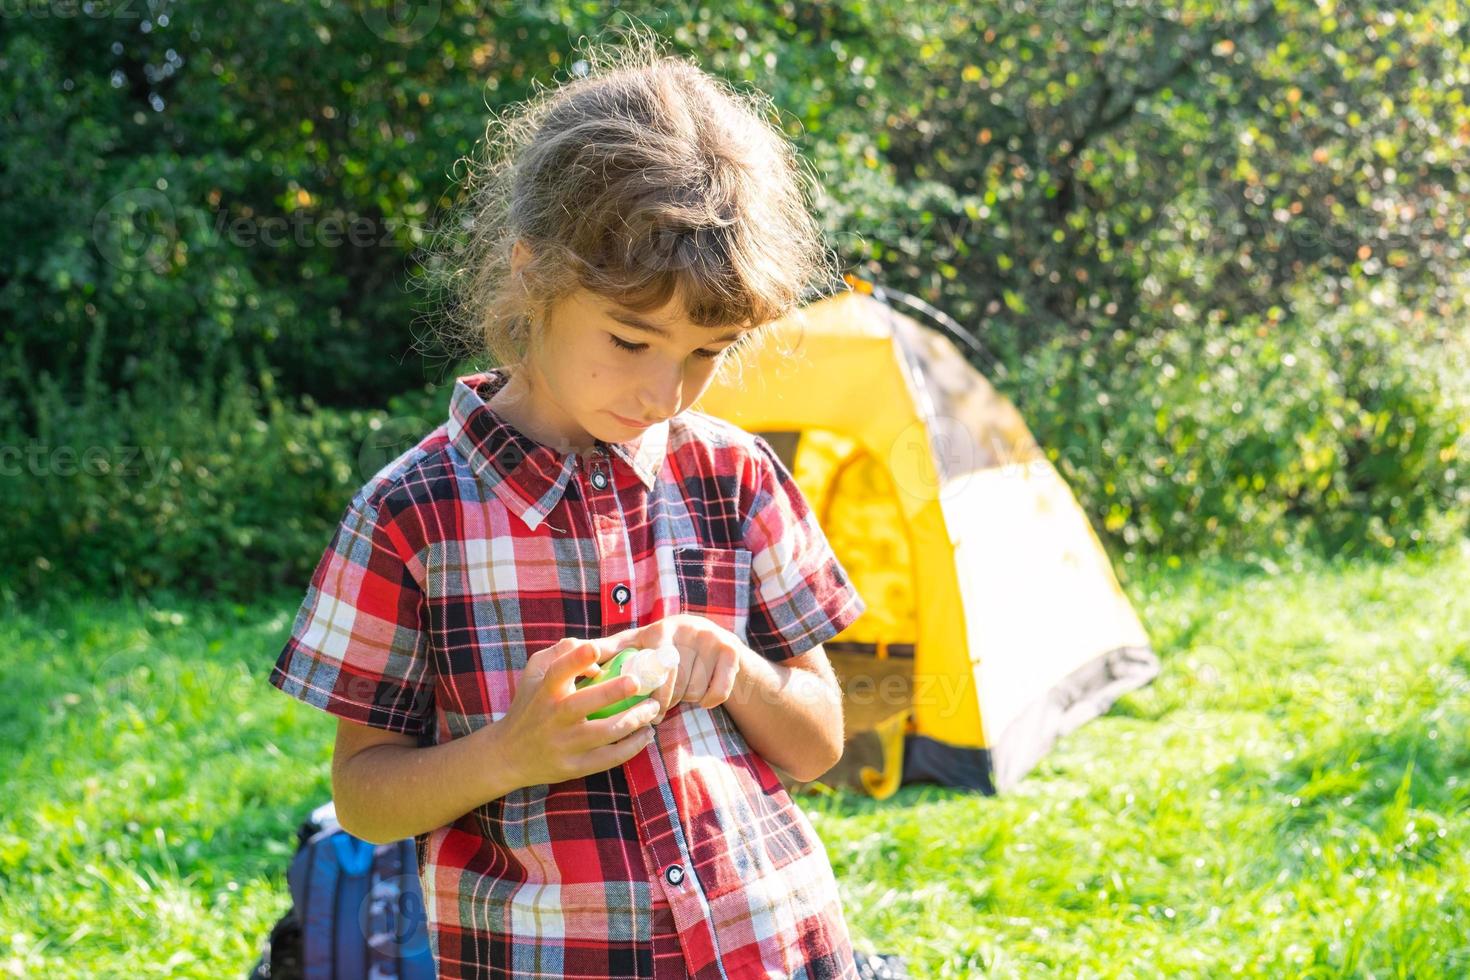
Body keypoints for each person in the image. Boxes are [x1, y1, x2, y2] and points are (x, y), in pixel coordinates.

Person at [266, 28, 868, 980]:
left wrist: (735, 671)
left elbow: (822, 740)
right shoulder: (410, 516)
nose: (665, 394)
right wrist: (510, 752)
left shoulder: (737, 474)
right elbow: (364, 797)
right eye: (631, 340)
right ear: (530, 273)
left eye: (708, 352)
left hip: (777, 946)